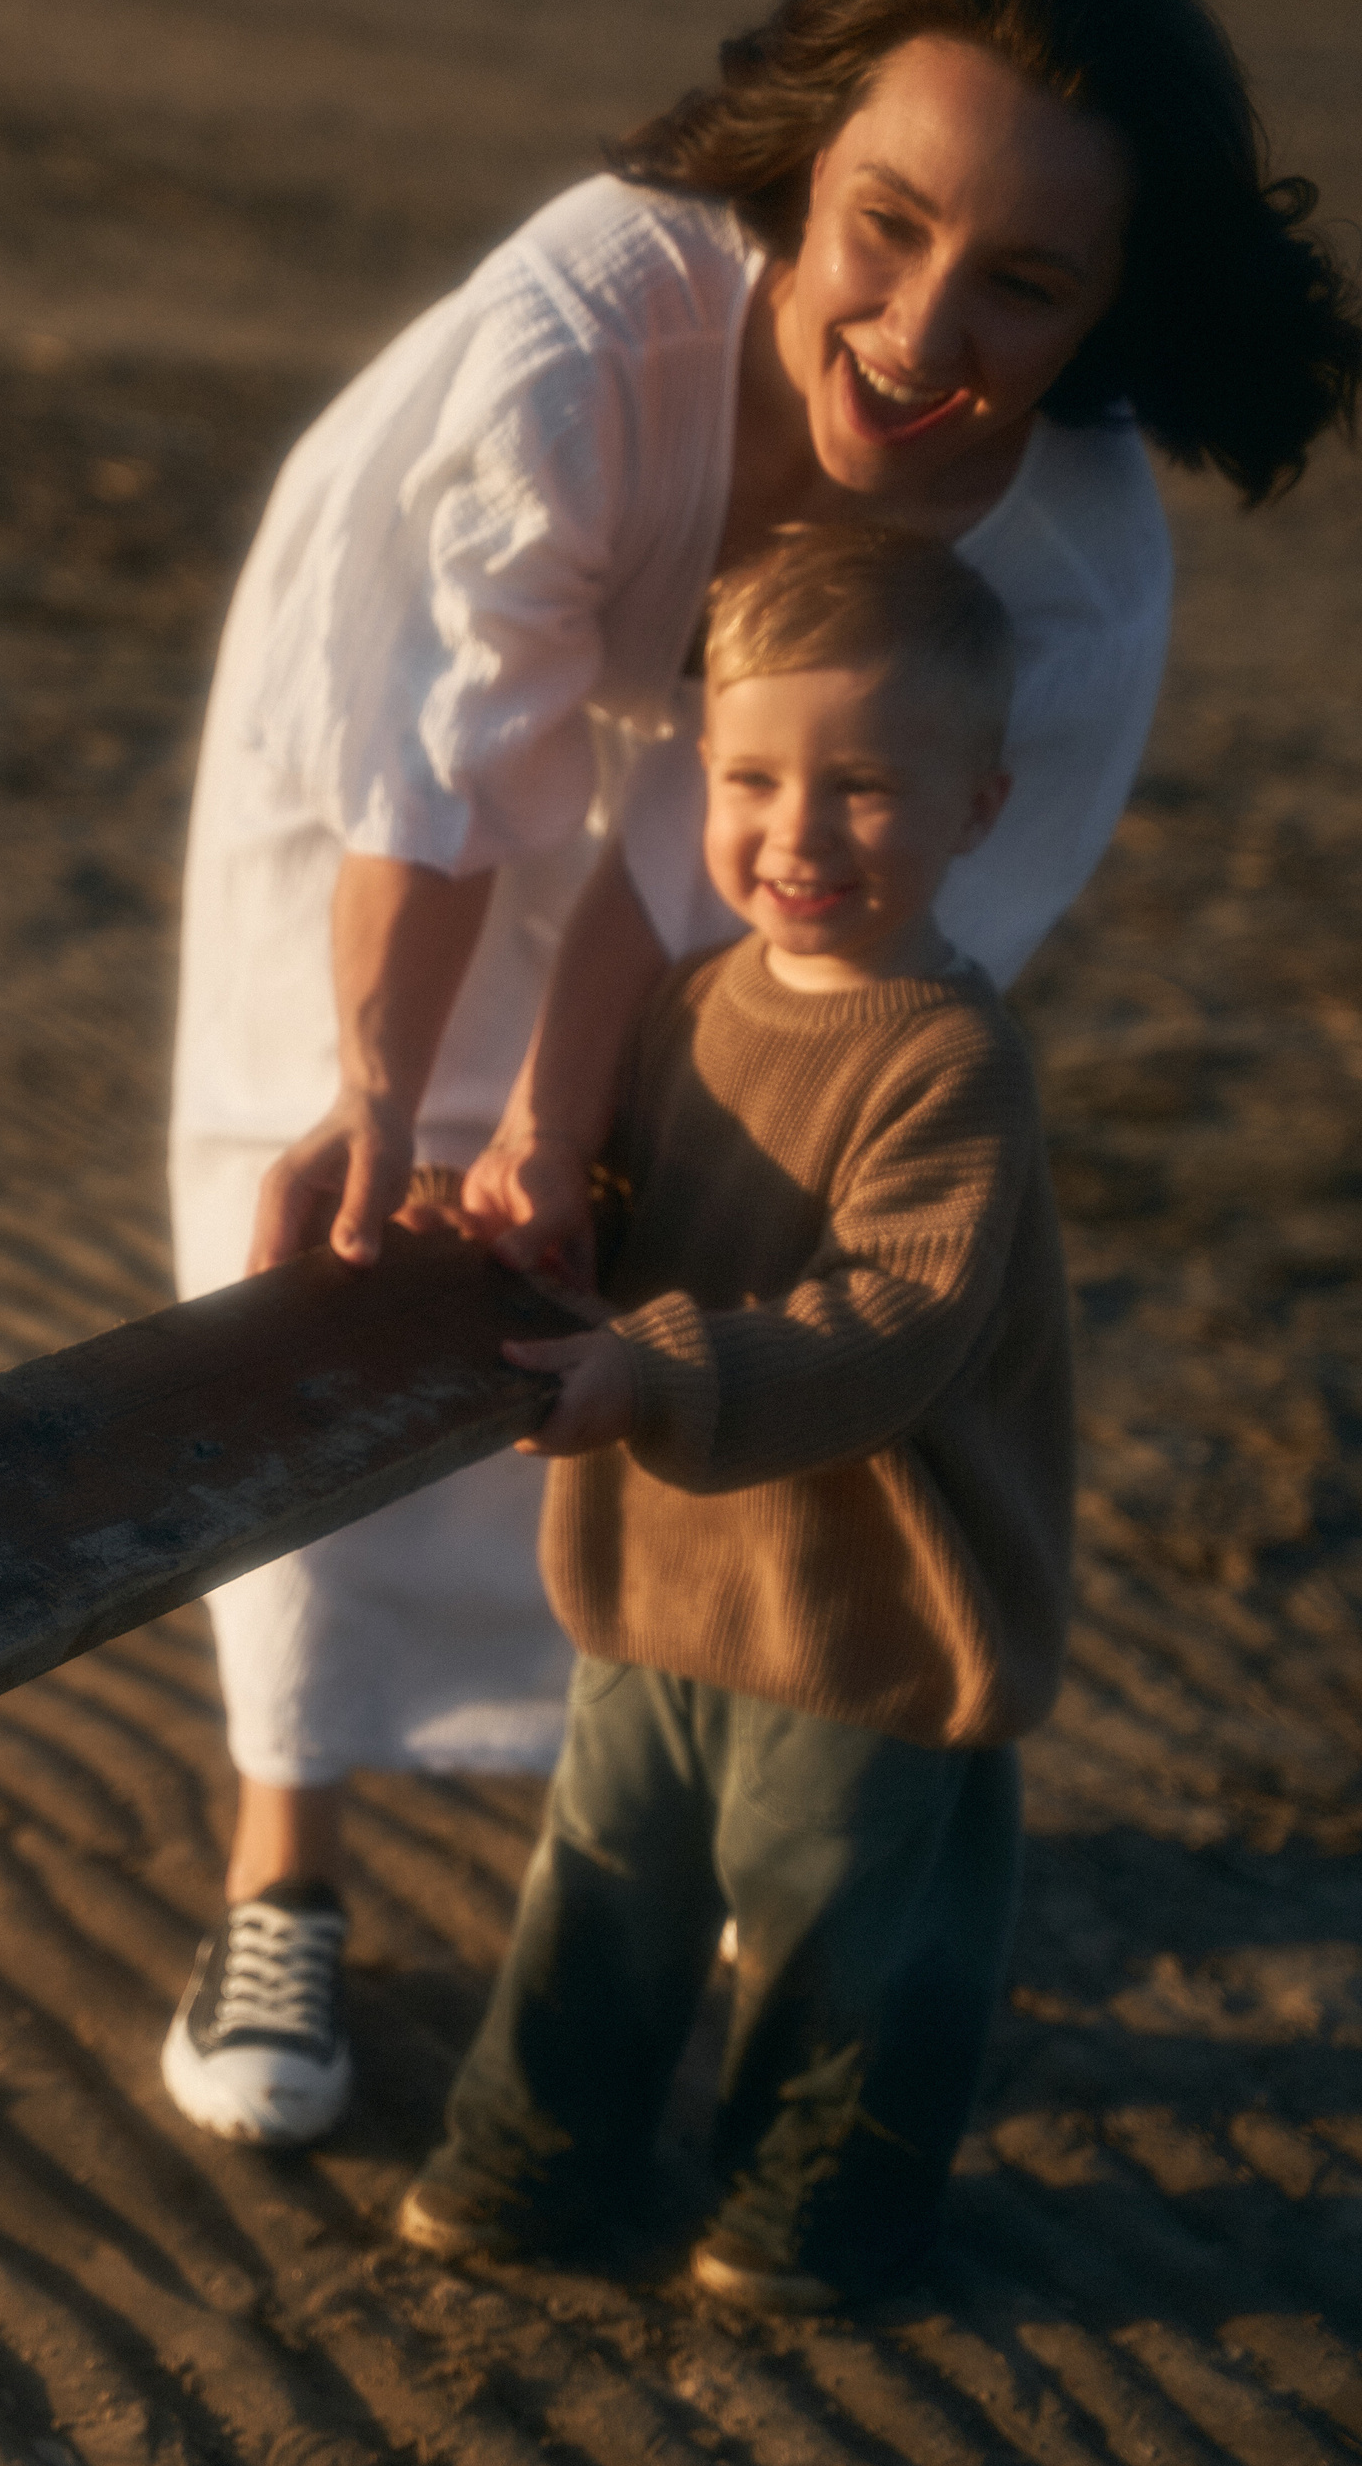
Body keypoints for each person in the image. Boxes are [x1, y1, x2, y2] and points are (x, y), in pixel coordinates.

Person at [161, 0, 1361, 2150]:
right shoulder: (581, 343)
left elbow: (789, 944)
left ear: (1111, 310)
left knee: (683, 1243)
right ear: (808, 172)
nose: (918, 333)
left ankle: (678, 1788)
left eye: (1024, 283)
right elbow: (442, 781)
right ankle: (280, 1865)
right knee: (328, 1215)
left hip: (772, 832)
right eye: (885, 226)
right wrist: (383, 1096)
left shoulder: (1067, 581)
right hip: (419, 729)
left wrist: (574, 1138)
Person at [397, 522, 1064, 2307]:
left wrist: (657, 1373)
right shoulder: (694, 1006)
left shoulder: (950, 1062)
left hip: (863, 1600)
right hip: (667, 1565)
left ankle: (819, 2205)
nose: (798, 833)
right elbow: (637, 1217)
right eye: (755, 779)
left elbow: (898, 1317)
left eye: (865, 787)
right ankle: (537, 2149)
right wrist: (514, 1227)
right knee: (602, 1878)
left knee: (840, 1914)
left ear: (979, 807)